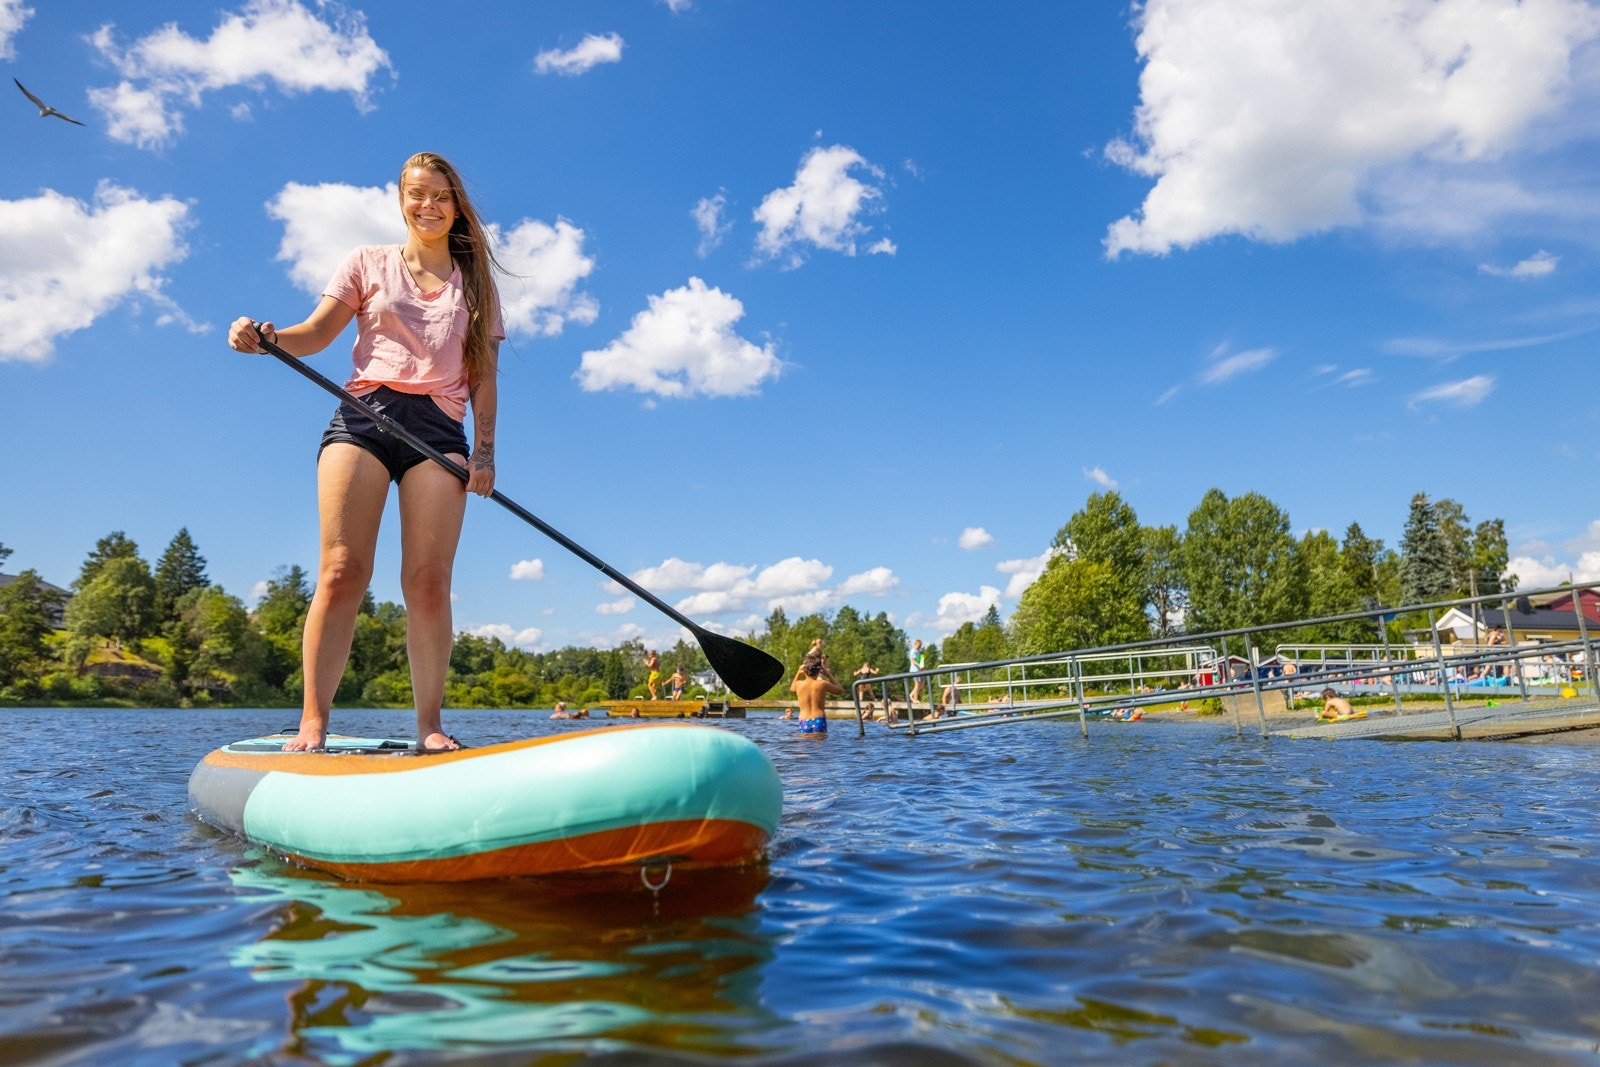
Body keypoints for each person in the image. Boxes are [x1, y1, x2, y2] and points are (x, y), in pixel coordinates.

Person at [228, 151, 503, 753]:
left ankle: (429, 726)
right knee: (340, 571)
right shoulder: (365, 261)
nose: (427, 205)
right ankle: (312, 722)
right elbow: (317, 333)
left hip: (438, 432)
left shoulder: (475, 280)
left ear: (457, 206)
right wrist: (269, 339)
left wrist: (483, 455)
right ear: (400, 200)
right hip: (365, 417)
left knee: (428, 584)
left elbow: (484, 375)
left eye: (440, 196)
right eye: (416, 194)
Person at [791, 646, 843, 736]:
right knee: (819, 747)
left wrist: (798, 672)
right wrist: (828, 674)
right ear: (819, 671)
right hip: (818, 718)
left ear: (804, 670)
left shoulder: (798, 684)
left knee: (805, 747)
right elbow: (840, 691)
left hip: (804, 720)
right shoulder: (822, 684)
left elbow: (792, 689)